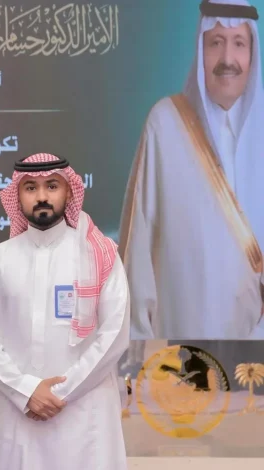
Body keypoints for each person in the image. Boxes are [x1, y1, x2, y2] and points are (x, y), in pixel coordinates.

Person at [0, 153, 130, 470]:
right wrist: (27, 392)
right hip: (20, 414)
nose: (42, 196)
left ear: (68, 192)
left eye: (52, 186)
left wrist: (61, 393)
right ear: (18, 195)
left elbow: (114, 335)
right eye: (31, 187)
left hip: (86, 416)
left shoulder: (100, 255)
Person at [119, 0, 264, 340]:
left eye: (238, 43)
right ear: (201, 50)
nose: (227, 59)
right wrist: (140, 347)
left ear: (252, 53)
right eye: (216, 42)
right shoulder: (165, 124)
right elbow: (138, 248)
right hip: (178, 351)